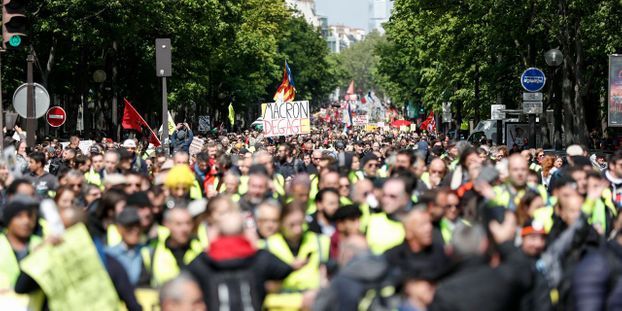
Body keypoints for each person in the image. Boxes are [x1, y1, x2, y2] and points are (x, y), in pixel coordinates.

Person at [187, 205, 293, 310]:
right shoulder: (260, 258)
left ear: (216, 231)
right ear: (245, 231)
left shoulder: (202, 262)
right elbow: (285, 270)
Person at [429, 213, 532, 311]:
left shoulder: (444, 293)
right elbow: (525, 271)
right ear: (484, 244)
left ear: (449, 250)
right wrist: (505, 242)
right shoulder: (504, 279)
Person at [0, 195, 43, 310]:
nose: (26, 221)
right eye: (19, 216)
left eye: (30, 216)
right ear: (9, 220)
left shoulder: (41, 244)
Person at [143, 207, 203, 287]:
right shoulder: (152, 252)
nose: (184, 229)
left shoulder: (201, 250)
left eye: (188, 223)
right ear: (167, 224)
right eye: (178, 224)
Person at [105, 207, 151, 287]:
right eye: (130, 226)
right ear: (119, 228)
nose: (135, 230)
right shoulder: (109, 254)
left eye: (138, 225)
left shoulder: (149, 252)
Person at [366, 177, 410, 254]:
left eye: (392, 196)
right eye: (384, 195)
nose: (386, 200)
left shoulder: (413, 224)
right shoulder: (372, 221)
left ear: (405, 199)